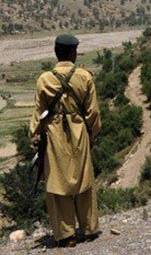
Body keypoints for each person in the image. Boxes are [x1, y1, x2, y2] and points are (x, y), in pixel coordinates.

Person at [29, 34, 101, 247]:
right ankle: (89, 228)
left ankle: (66, 234)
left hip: (54, 135)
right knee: (84, 179)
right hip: (80, 132)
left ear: (56, 52)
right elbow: (93, 112)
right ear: (73, 53)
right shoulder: (84, 77)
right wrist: (93, 134)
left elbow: (38, 113)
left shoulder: (44, 79)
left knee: (58, 183)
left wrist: (35, 137)